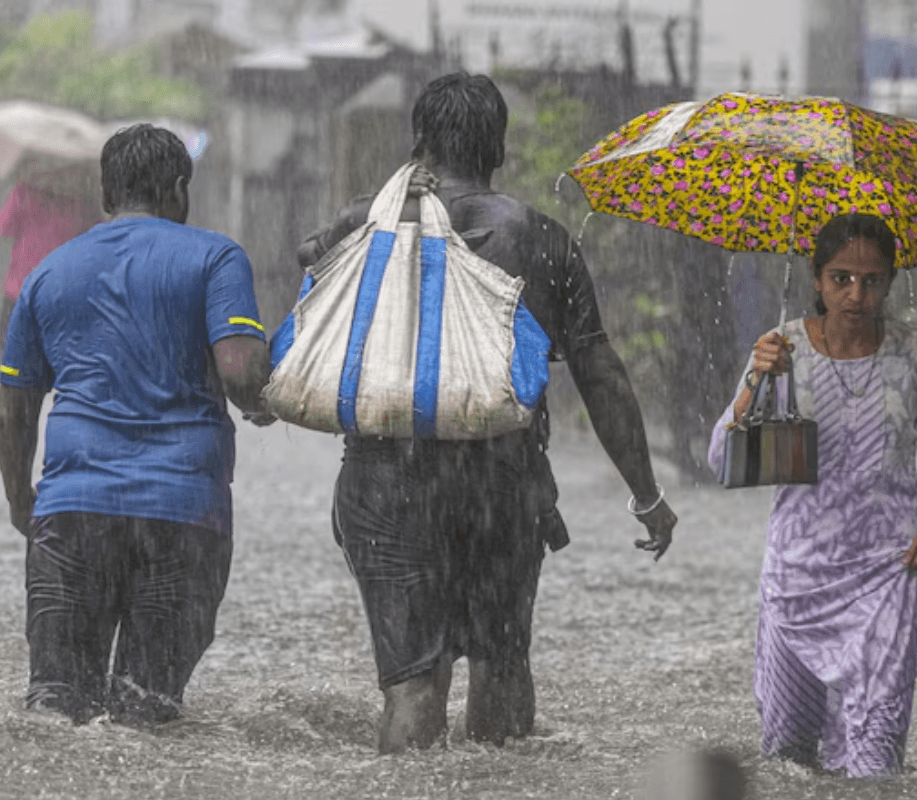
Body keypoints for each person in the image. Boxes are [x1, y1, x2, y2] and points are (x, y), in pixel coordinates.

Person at [286, 72, 677, 753]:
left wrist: (390, 202)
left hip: (385, 483)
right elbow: (600, 374)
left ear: (418, 142)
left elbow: (308, 283)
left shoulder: (361, 226)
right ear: (498, 148)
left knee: (411, 687)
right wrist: (646, 494)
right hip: (501, 485)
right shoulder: (543, 241)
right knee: (500, 669)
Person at [0, 124, 274, 726]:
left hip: (71, 512)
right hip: (182, 515)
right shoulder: (215, 257)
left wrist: (23, 500)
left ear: (105, 195)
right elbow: (241, 375)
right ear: (178, 190)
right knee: (147, 715)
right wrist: (269, 396)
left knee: (55, 710)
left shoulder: (48, 273)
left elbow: (12, 409)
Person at [707, 213, 917, 777]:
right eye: (842, 278)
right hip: (797, 580)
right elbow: (722, 461)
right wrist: (755, 379)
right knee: (788, 760)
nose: (857, 294)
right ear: (817, 279)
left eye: (872, 281)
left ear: (890, 283)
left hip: (891, 574)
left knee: (874, 767)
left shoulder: (916, 351)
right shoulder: (782, 349)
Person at [0, 177, 98, 363]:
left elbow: (3, 227)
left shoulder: (24, 191)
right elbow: (92, 233)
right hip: (61, 282)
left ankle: (9, 372)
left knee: (9, 337)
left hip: (22, 281)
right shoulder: (78, 199)